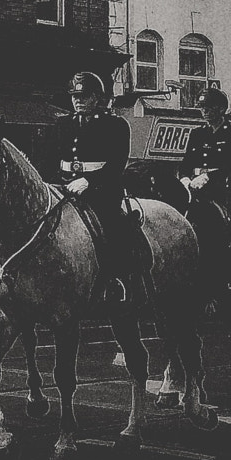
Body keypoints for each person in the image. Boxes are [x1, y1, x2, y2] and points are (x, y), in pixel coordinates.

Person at [54, 70, 144, 301]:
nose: (78, 101)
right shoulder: (63, 124)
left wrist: (89, 182)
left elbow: (117, 164)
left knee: (111, 226)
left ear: (97, 98)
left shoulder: (115, 125)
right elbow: (49, 159)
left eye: (83, 96)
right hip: (64, 189)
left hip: (101, 192)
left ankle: (116, 280)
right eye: (75, 96)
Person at [178, 87, 231, 216]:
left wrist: (208, 177)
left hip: (221, 190)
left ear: (221, 109)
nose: (204, 111)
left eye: (209, 107)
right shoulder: (197, 133)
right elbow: (186, 163)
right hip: (194, 187)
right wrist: (185, 179)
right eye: (202, 107)